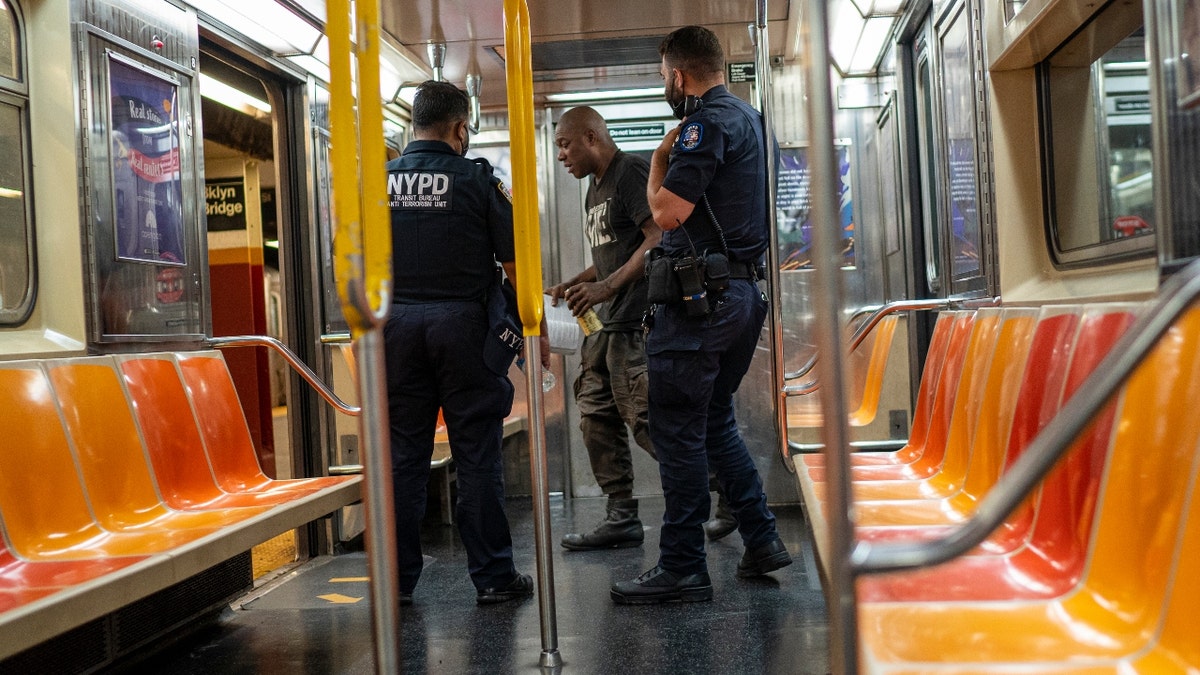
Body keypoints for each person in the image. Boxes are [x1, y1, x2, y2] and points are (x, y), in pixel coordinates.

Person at [611, 26, 791, 604]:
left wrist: (661, 154)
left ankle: (683, 565)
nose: (665, 84)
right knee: (713, 421)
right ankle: (762, 539)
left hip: (700, 304)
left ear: (680, 76)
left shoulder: (702, 125)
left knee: (679, 431)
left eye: (665, 75)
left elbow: (664, 213)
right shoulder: (756, 121)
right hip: (743, 297)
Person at [384, 80, 543, 606]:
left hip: (396, 328)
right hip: (463, 328)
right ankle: (494, 577)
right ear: (459, 128)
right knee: (475, 452)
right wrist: (524, 330)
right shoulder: (477, 182)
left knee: (405, 455)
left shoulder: (376, 184)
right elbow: (517, 267)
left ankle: (396, 582)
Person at [546, 106, 661, 550]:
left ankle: (725, 492)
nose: (561, 155)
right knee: (594, 416)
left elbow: (656, 238)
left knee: (648, 423)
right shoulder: (593, 188)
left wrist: (607, 288)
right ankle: (621, 515)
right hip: (604, 326)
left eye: (565, 144)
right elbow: (614, 248)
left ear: (591, 137)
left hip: (634, 322)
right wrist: (577, 283)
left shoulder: (630, 171)